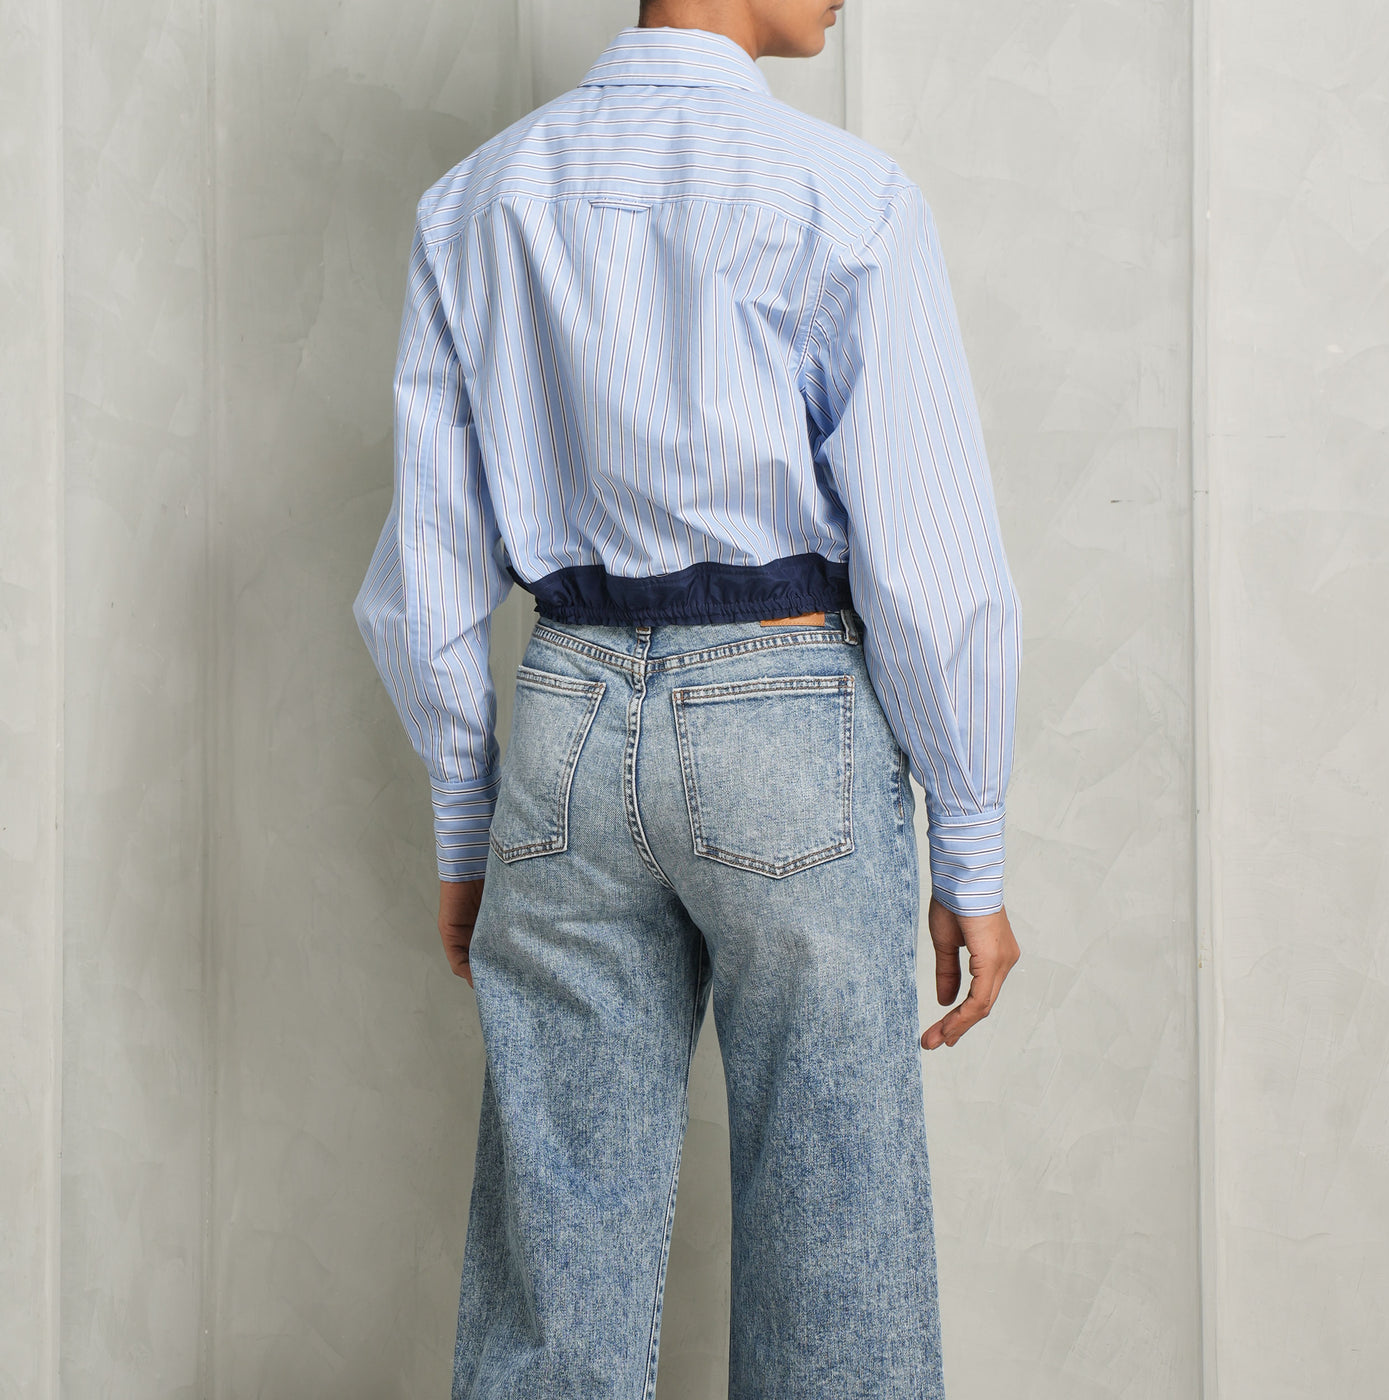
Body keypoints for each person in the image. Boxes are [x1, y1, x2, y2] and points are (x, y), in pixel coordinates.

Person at [353, 2, 1022, 1395]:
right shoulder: (842, 195)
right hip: (788, 715)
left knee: (555, 1252)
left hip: (568, 715)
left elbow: (429, 570)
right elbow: (929, 565)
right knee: (836, 1219)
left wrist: (468, 823)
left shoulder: (479, 201)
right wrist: (970, 842)